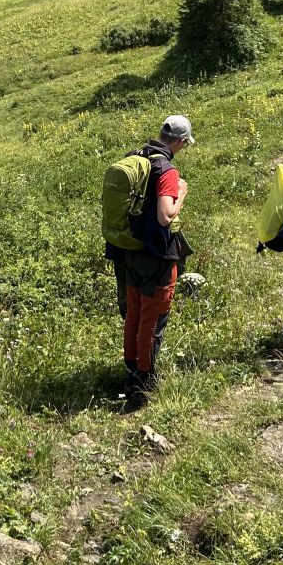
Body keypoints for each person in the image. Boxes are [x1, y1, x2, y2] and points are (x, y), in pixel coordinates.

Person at [117, 115, 194, 403]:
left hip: (130, 250)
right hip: (157, 256)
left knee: (134, 314)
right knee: (153, 317)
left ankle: (130, 370)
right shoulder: (167, 169)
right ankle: (144, 379)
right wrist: (181, 193)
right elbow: (165, 215)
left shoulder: (137, 156)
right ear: (180, 141)